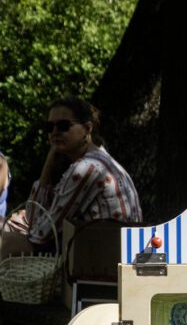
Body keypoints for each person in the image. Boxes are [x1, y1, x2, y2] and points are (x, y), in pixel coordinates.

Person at [1, 97, 141, 257]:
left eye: (63, 126)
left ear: (88, 128)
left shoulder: (85, 169)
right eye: (49, 127)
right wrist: (50, 161)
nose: (55, 132)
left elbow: (41, 234)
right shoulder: (101, 161)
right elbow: (35, 221)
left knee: (5, 241)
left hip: (102, 259)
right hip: (107, 252)